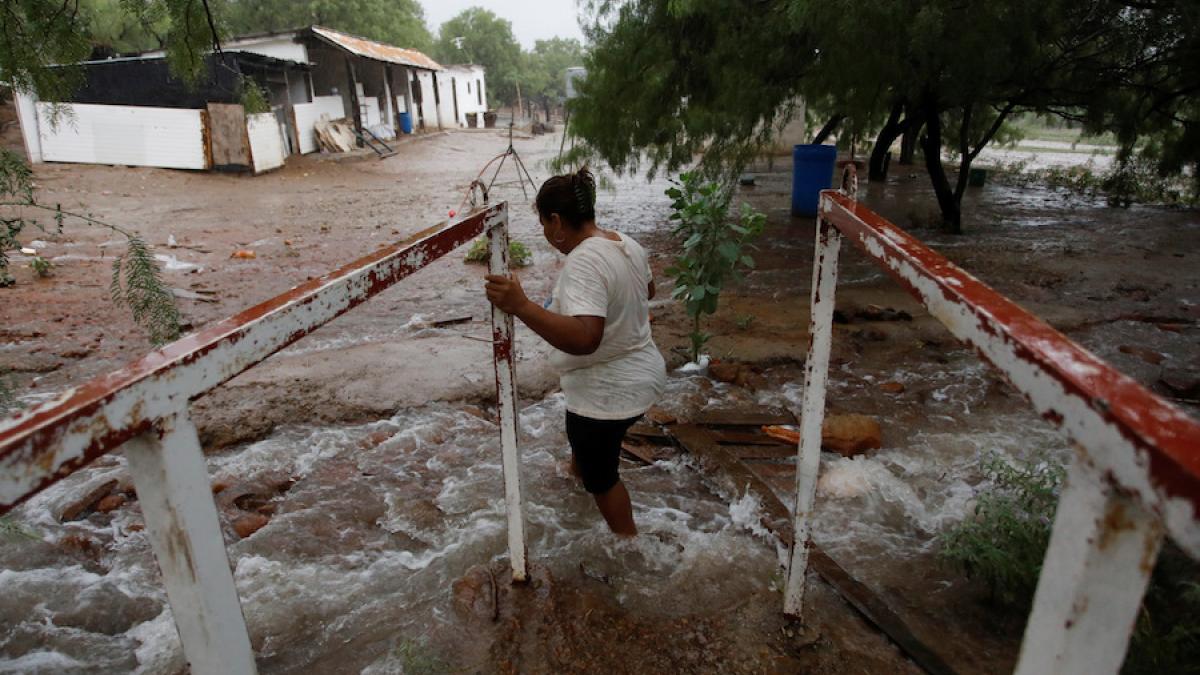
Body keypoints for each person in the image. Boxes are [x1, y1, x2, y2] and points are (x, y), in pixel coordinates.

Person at [484, 167, 667, 536]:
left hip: (609, 391)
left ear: (555, 221)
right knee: (587, 448)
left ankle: (628, 545)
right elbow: (648, 290)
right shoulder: (625, 242)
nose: (546, 235)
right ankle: (574, 484)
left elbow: (585, 339)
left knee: (601, 478)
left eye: (543, 225)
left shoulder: (584, 259)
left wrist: (521, 305)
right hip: (644, 372)